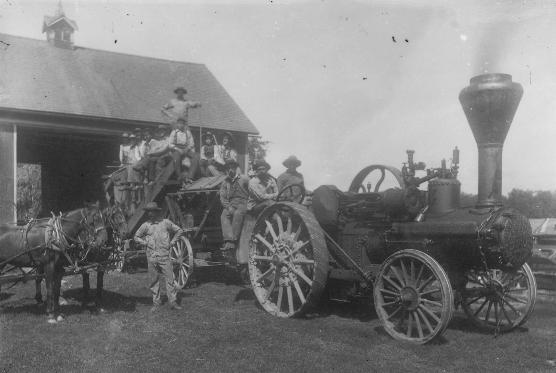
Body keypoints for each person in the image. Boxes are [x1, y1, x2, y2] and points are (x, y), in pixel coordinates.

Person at [134, 202, 184, 311]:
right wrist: (145, 243)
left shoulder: (165, 223)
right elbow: (136, 237)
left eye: (152, 211)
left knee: (170, 279)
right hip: (151, 257)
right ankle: (156, 303)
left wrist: (172, 242)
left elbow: (179, 231)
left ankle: (173, 302)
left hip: (165, 256)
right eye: (148, 212)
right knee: (154, 280)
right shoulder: (145, 225)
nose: (150, 214)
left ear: (157, 212)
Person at [219, 159, 249, 263]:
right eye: (228, 168)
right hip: (232, 204)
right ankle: (228, 240)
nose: (230, 170)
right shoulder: (225, 182)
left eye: (232, 167)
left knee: (237, 214)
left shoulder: (244, 179)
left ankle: (233, 241)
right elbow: (222, 198)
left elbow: (252, 191)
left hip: (243, 203)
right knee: (223, 215)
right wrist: (228, 207)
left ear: (235, 168)